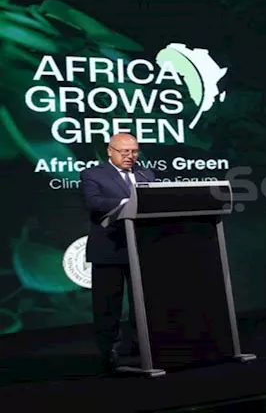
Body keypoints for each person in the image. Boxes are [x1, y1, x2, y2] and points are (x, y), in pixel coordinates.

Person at [80, 132, 156, 374]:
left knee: (142, 302)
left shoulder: (146, 174)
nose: (130, 156)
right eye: (124, 151)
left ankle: (139, 345)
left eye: (134, 151)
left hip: (140, 249)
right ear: (109, 151)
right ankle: (108, 351)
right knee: (107, 304)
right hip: (109, 248)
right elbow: (93, 203)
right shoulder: (93, 174)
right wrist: (125, 203)